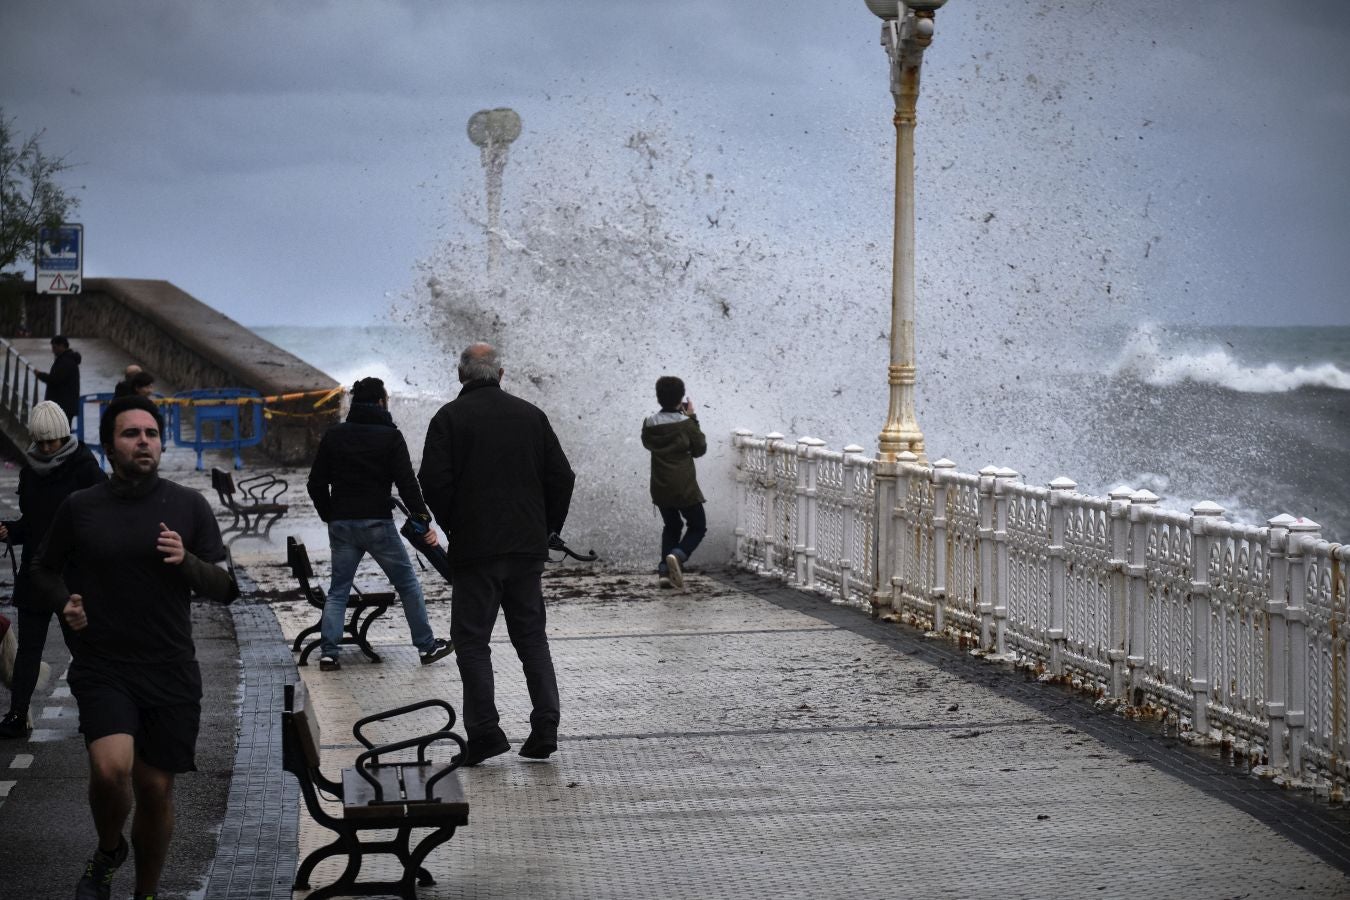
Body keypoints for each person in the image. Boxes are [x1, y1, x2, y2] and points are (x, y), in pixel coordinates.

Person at [30, 394, 238, 900]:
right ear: (108, 447)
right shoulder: (81, 507)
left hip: (169, 669)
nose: (143, 441)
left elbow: (226, 586)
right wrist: (66, 604)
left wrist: (184, 559)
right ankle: (108, 850)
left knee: (155, 788)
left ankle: (145, 893)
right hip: (104, 664)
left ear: (161, 443)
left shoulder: (187, 506)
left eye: (150, 433)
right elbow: (41, 568)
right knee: (110, 769)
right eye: (130, 433)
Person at [419, 342, 575, 766]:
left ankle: (486, 734)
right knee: (531, 639)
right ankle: (545, 726)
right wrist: (547, 529)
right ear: (501, 374)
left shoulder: (449, 418)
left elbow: (431, 480)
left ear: (460, 375)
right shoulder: (530, 415)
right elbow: (562, 476)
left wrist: (455, 523)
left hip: (476, 551)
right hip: (526, 550)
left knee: (472, 643)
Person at [306, 377, 452, 672]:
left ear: (354, 402)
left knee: (338, 589)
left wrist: (330, 515)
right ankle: (426, 647)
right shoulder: (390, 436)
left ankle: (329, 653)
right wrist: (422, 518)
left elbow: (315, 483)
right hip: (377, 524)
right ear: (381, 401)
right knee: (408, 584)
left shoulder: (335, 435)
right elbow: (407, 485)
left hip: (343, 524)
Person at [0, 401, 107, 739]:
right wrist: (11, 531)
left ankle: (104, 710)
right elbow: (33, 524)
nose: (47, 449)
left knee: (83, 647)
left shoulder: (85, 467)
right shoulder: (30, 469)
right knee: (28, 651)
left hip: (72, 575)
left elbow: (102, 518)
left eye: (53, 441)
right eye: (42, 442)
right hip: (36, 572)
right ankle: (17, 715)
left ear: (65, 435)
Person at [641, 376, 707, 589]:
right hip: (684, 487)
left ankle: (664, 571)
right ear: (681, 398)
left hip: (660, 487)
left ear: (658, 397)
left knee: (672, 525)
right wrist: (692, 416)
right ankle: (677, 556)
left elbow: (647, 444)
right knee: (698, 526)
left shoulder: (649, 423)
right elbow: (700, 449)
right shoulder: (686, 424)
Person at [36, 334, 82, 423]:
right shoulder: (67, 360)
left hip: (62, 407)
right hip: (65, 407)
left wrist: (40, 375)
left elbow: (55, 379)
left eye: (54, 347)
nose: (53, 351)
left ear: (61, 346)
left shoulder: (65, 361)